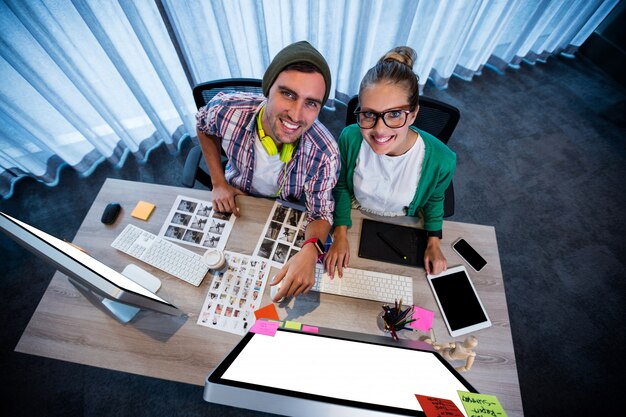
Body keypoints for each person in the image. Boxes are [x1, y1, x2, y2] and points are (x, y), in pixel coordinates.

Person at [196, 41, 340, 302]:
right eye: (288, 94)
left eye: (311, 104)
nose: (296, 115)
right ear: (268, 89)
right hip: (238, 201)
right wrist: (218, 182)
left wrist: (310, 250)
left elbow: (321, 213)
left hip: (289, 212)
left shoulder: (325, 152)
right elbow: (203, 127)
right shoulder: (227, 110)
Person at [325, 46, 456, 277]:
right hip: (356, 213)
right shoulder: (350, 137)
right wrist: (341, 233)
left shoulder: (442, 160)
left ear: (414, 113)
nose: (379, 130)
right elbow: (342, 186)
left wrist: (434, 242)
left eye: (394, 114)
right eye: (368, 114)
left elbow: (435, 200)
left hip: (404, 221)